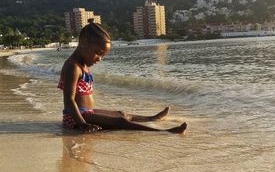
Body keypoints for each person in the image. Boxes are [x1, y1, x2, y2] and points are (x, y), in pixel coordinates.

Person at [58, 20, 187, 134]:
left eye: (103, 56)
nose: (100, 59)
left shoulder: (83, 64)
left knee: (121, 114)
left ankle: (151, 118)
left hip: (86, 113)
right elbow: (69, 100)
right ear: (84, 43)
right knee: (120, 121)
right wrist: (82, 124)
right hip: (76, 117)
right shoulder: (73, 67)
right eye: (98, 53)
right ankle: (163, 132)